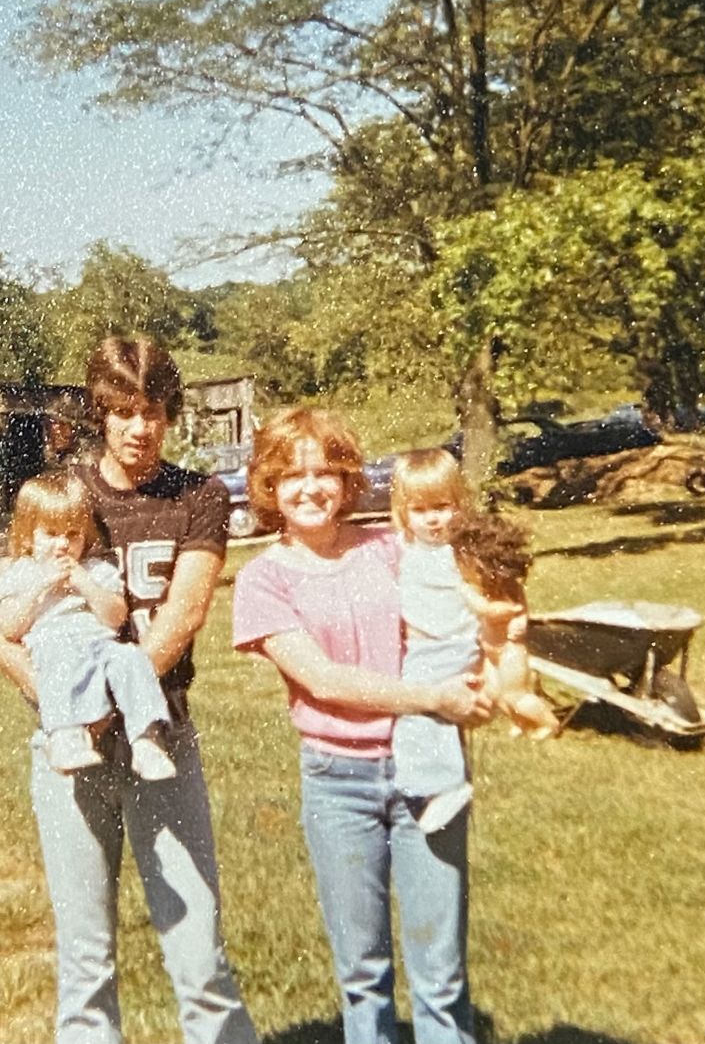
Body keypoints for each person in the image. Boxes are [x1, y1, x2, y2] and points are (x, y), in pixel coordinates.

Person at [0, 336, 257, 1044]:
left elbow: (185, 612)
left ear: (170, 412)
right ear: (101, 413)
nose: (141, 428)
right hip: (68, 747)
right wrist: (57, 701)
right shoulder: (69, 493)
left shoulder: (197, 495)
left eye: (154, 410)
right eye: (125, 412)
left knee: (198, 952)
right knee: (85, 959)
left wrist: (112, 709)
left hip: (159, 735)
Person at [231, 407, 491, 1044]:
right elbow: (324, 681)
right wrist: (433, 696)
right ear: (269, 488)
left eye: (326, 472)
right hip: (338, 783)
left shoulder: (390, 550)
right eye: (291, 474)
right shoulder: (262, 581)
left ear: (349, 482)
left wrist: (491, 664)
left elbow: (464, 611)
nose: (310, 487)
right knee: (364, 972)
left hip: (427, 770)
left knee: (441, 972)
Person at [0, 470, 174, 778]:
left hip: (100, 645)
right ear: (29, 536)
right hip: (53, 645)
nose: (63, 545)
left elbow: (115, 617)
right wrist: (40, 587)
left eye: (72, 534)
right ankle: (64, 737)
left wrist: (85, 584)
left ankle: (147, 741)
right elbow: (8, 627)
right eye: (51, 533)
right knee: (60, 665)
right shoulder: (23, 573)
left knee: (131, 659)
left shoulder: (95, 569)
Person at [388, 448, 481, 835]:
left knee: (417, 714)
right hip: (425, 644)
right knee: (426, 715)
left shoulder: (459, 553)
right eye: (420, 509)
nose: (432, 519)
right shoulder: (406, 548)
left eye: (442, 506)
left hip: (452, 642)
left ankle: (444, 785)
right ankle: (433, 785)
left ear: (460, 504)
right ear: (403, 512)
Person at [449, 511, 560, 741]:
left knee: (515, 694)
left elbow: (515, 606)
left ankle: (549, 722)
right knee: (495, 693)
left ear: (481, 561)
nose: (459, 566)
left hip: (510, 652)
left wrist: (521, 621)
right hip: (491, 652)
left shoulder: (505, 587)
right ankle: (521, 721)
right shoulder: (478, 586)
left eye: (463, 561)